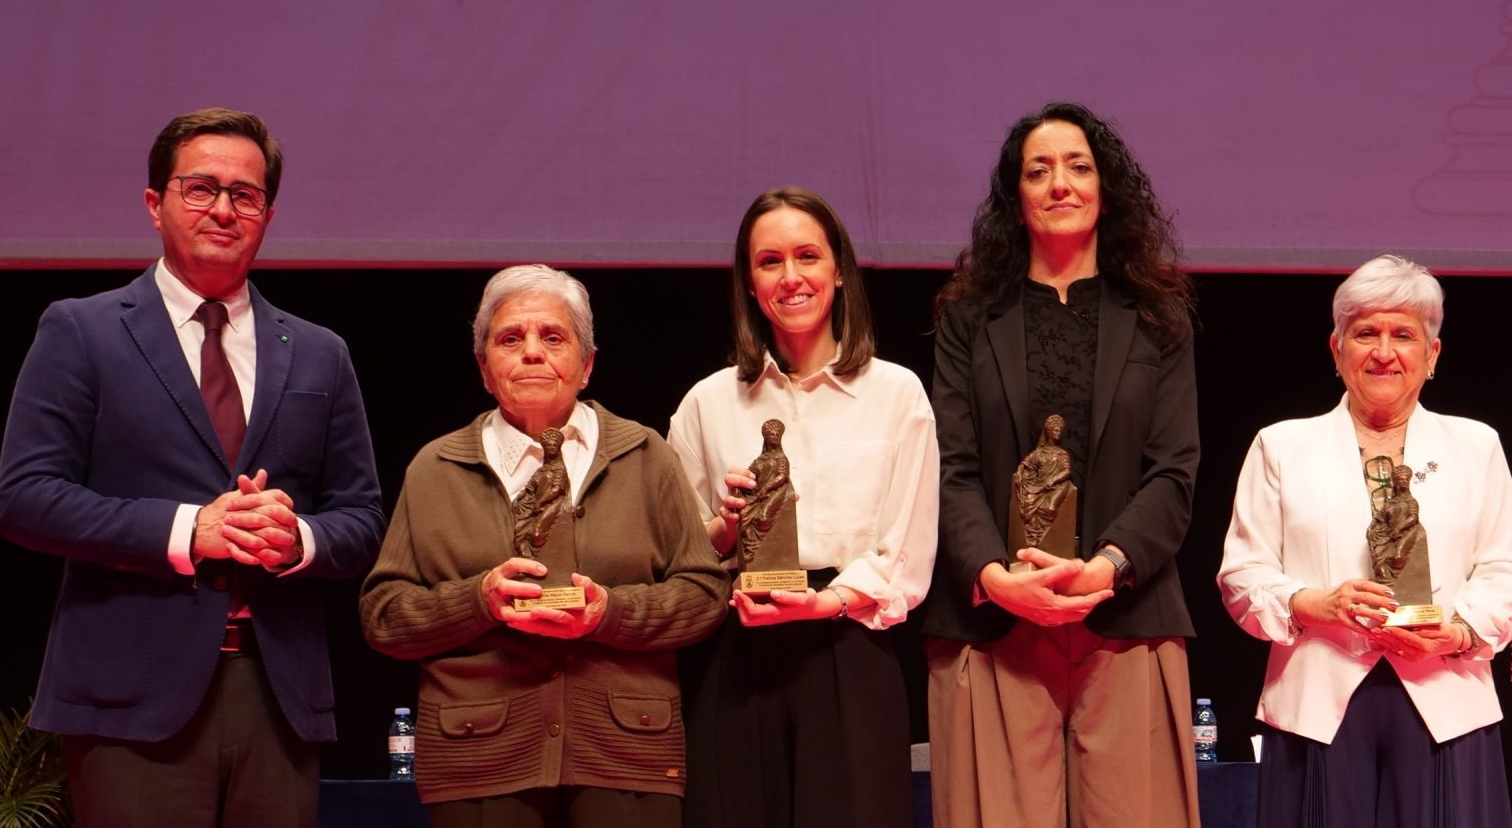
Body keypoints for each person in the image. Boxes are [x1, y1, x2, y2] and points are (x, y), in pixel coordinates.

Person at [0, 107, 386, 828]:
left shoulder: (320, 351)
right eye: (201, 188)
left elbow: (361, 518)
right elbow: (26, 497)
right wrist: (188, 530)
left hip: (279, 694)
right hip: (131, 697)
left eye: (246, 194)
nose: (224, 209)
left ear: (267, 214)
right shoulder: (82, 330)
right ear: (155, 203)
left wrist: (298, 539)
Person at [359, 265, 729, 828]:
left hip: (625, 750)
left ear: (587, 365)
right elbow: (383, 616)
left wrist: (610, 612)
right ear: (484, 370)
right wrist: (479, 600)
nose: (532, 352)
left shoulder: (645, 455)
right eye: (511, 339)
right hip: (479, 754)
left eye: (553, 337)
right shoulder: (436, 467)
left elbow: (705, 594)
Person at [927, 102, 1202, 828]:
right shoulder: (967, 318)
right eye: (1038, 170)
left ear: (1105, 191)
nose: (1060, 184)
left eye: (1078, 167)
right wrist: (994, 576)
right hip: (995, 622)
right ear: (1014, 198)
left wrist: (1105, 566)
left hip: (1126, 615)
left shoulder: (1159, 316)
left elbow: (1174, 472)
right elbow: (951, 469)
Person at [1217, 255, 1512, 828]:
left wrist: (1458, 632)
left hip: (1447, 698)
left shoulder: (1476, 445)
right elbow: (1243, 574)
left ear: (1432, 354)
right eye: (1365, 333)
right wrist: (1316, 603)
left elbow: (1506, 569)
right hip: (1318, 703)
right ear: (1336, 348)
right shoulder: (1281, 446)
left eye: (1403, 335)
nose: (1384, 352)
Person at [666, 187, 938, 828]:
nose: (791, 277)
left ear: (838, 270)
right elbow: (677, 552)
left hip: (849, 644)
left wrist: (825, 602)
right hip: (737, 650)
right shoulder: (707, 402)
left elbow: (906, 546)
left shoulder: (896, 393)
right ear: (750, 282)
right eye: (770, 261)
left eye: (807, 256)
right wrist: (726, 526)